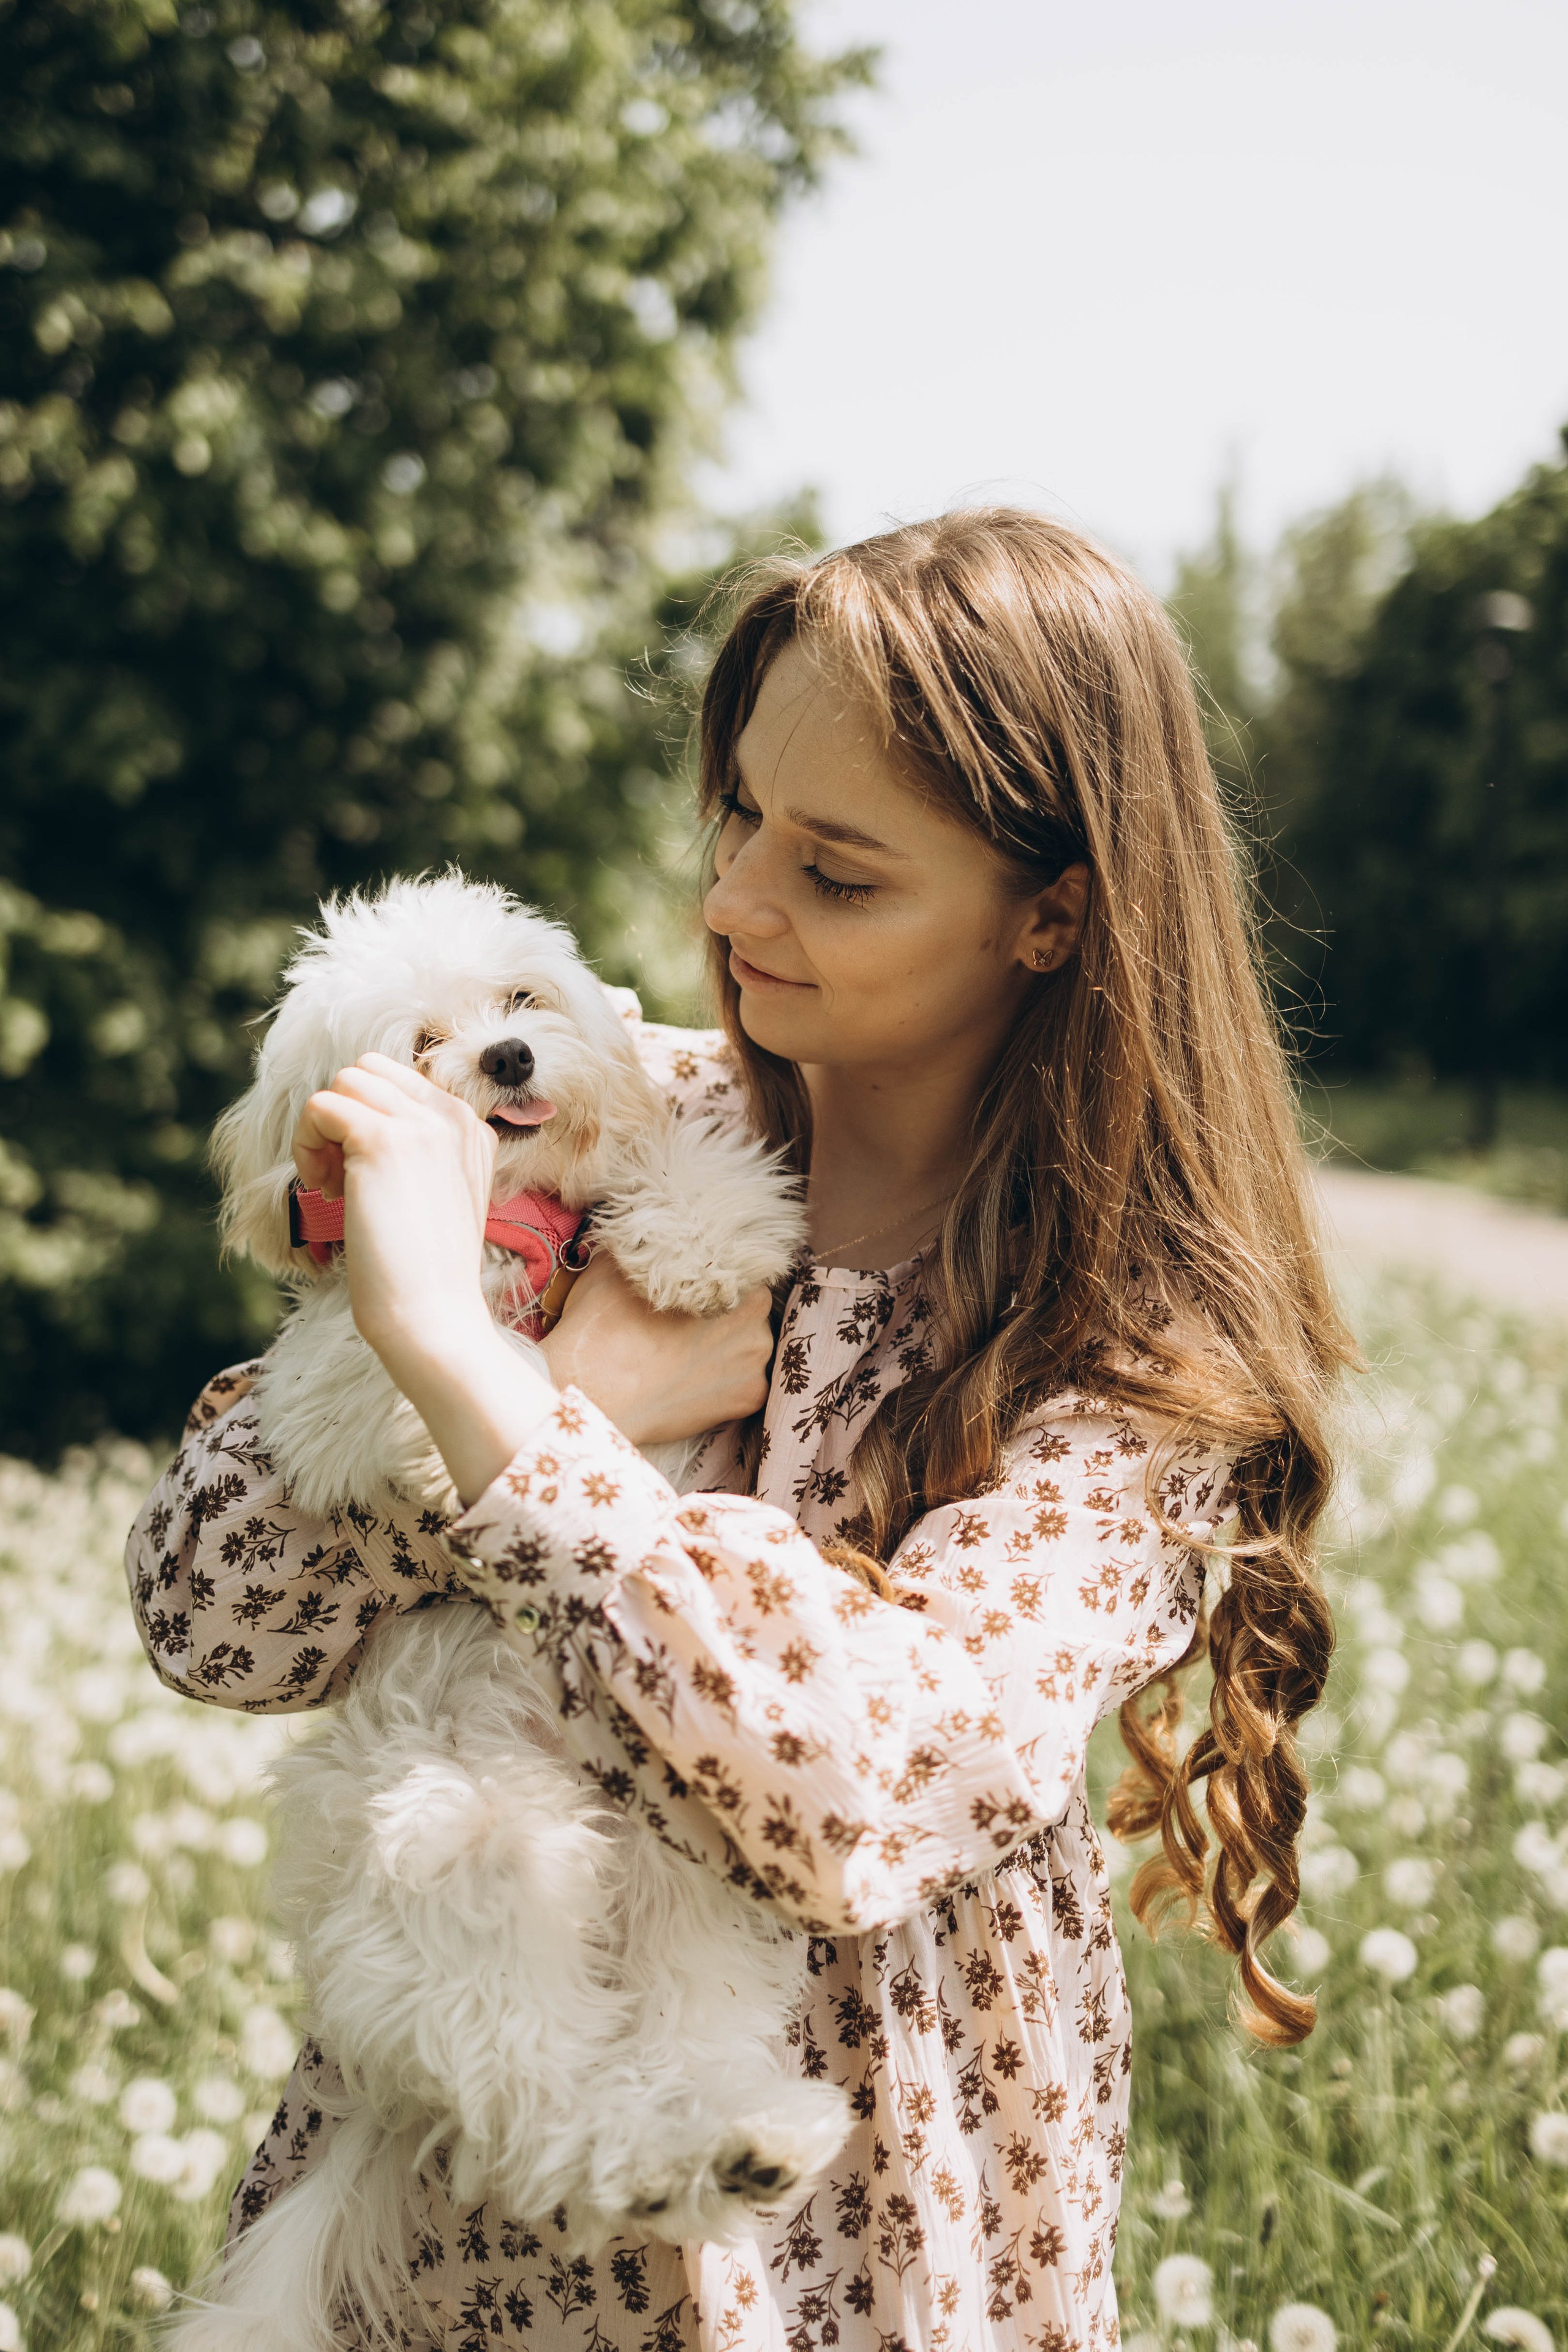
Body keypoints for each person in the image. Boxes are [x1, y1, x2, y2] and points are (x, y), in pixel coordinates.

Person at [126, 508, 1351, 2351]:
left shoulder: (1128, 1357)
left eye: (837, 875)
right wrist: (584, 1395)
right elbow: (211, 1620)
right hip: (476, 2214)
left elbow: (854, 1788)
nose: (731, 908)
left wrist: (486, 1385)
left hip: (864, 2223)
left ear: (1055, 911)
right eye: (739, 822)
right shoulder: (614, 1125)